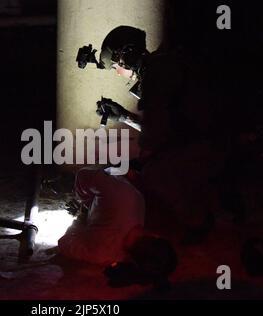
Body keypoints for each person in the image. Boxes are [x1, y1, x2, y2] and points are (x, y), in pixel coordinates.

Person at [79, 26, 225, 238]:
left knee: (153, 175)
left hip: (210, 144)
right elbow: (163, 127)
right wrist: (123, 117)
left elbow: (154, 137)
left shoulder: (156, 74)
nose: (118, 73)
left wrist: (135, 165)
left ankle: (197, 222)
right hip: (200, 137)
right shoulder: (158, 65)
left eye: (116, 67)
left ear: (125, 57)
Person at [57, 167, 177, 286]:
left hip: (110, 180)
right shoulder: (103, 254)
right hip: (107, 183)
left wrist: (83, 208)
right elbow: (64, 242)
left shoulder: (138, 201)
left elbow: (83, 175)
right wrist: (81, 217)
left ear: (155, 235)